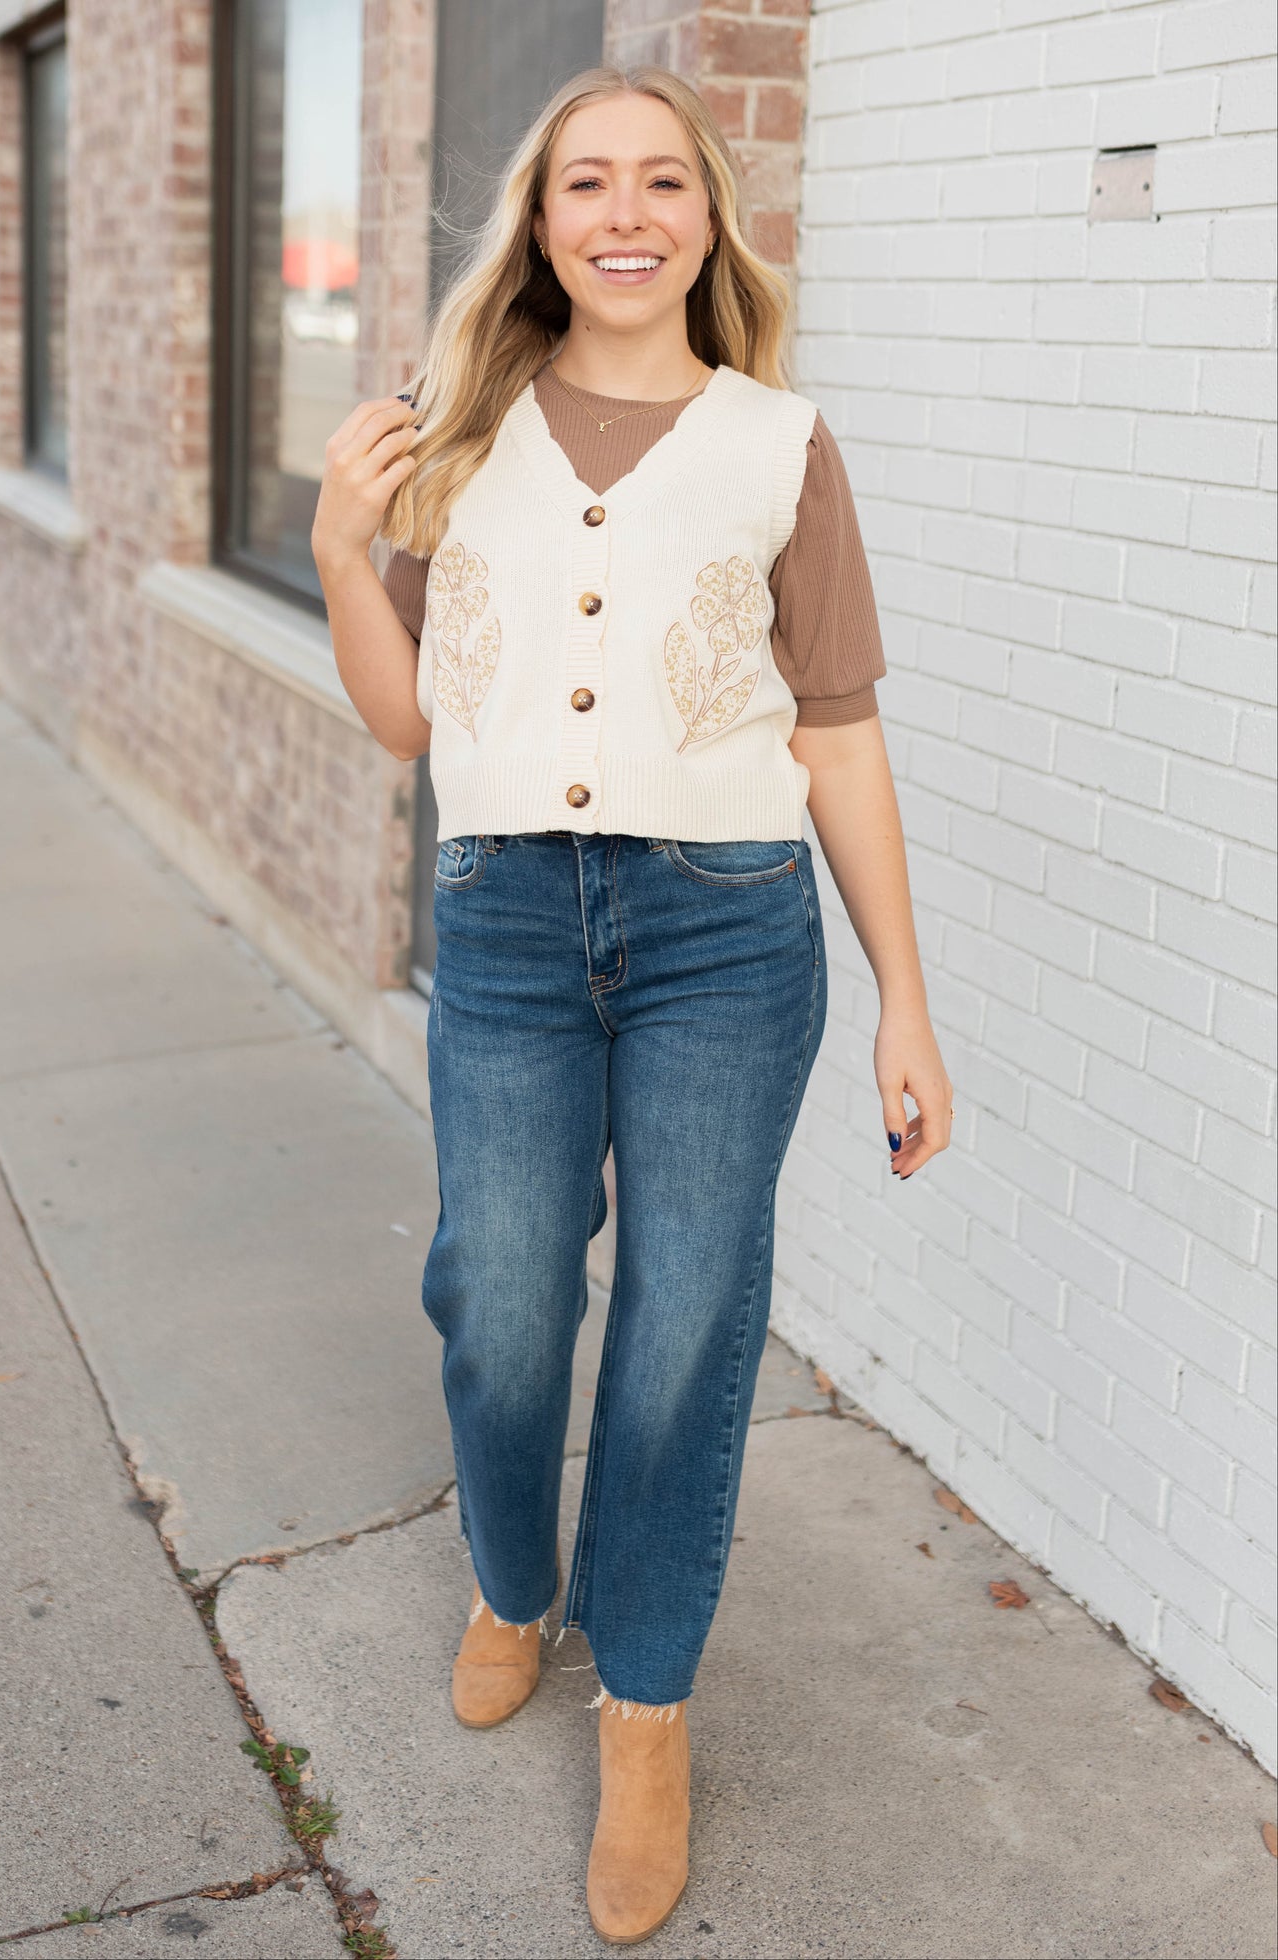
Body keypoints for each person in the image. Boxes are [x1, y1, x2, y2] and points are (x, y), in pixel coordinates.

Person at [312, 62, 953, 1949]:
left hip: (726, 931)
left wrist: (908, 1001)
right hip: (509, 921)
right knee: (502, 1298)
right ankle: (517, 1586)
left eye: (662, 181)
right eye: (586, 181)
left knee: (687, 1322)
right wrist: (340, 549)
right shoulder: (454, 431)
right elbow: (407, 720)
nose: (624, 213)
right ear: (540, 219)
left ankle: (650, 1706)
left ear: (708, 219)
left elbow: (839, 735)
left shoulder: (781, 446)